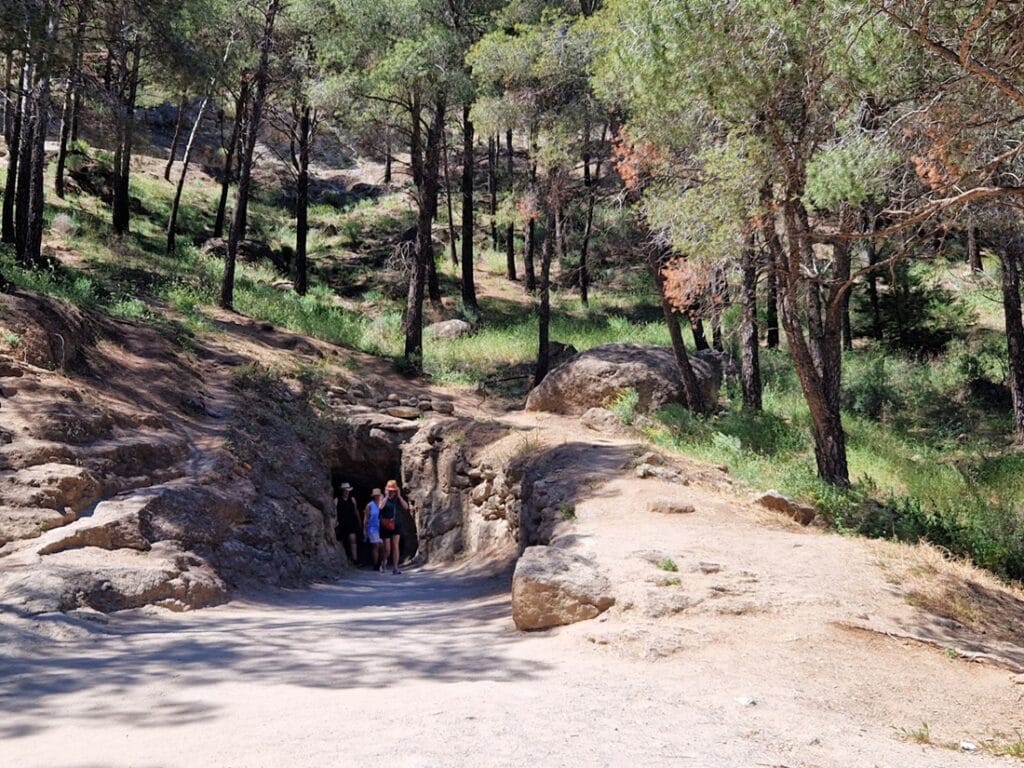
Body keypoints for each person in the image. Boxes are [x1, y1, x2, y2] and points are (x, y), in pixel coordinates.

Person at [379, 479, 409, 575]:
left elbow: (406, 507)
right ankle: (384, 562)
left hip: (396, 524)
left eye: (393, 490)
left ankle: (395, 568)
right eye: (390, 490)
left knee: (395, 546)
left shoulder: (398, 499)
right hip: (386, 524)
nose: (392, 492)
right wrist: (387, 496)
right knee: (387, 548)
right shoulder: (382, 497)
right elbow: (380, 507)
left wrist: (399, 496)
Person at [335, 482, 360, 563]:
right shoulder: (337, 500)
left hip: (351, 522)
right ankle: (343, 559)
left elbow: (356, 511)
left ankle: (355, 559)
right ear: (342, 491)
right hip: (341, 523)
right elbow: (333, 512)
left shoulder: (352, 499)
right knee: (342, 540)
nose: (346, 492)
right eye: (345, 490)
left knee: (353, 539)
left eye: (347, 490)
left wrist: (359, 521)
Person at [363, 488, 385, 572]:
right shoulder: (369, 505)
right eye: (376, 495)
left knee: (383, 547)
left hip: (382, 528)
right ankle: (376, 565)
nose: (377, 497)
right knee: (376, 545)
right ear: (374, 496)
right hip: (372, 528)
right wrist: (365, 530)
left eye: (378, 495)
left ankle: (381, 563)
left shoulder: (382, 504)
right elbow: (366, 518)